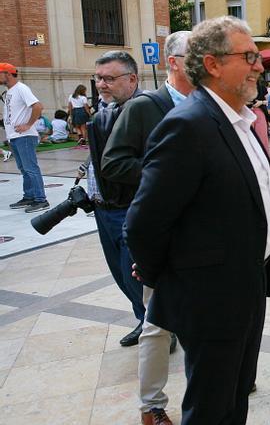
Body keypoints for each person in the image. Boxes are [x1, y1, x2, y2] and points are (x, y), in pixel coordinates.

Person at [126, 17, 270, 424]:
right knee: (210, 407)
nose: (259, 65)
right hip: (210, 297)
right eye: (249, 56)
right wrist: (176, 279)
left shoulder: (243, 120)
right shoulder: (188, 125)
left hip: (248, 285)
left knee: (235, 397)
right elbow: (143, 222)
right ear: (212, 64)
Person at [101, 31, 192, 425]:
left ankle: (219, 381)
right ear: (173, 61)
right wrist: (163, 174)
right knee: (157, 322)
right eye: (198, 54)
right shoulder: (144, 107)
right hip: (161, 231)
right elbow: (113, 164)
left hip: (202, 231)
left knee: (207, 317)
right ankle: (152, 406)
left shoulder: (214, 104)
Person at [87, 51, 147, 346]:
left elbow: (153, 163)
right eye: (98, 78)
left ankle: (157, 326)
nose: (101, 84)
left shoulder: (146, 111)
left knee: (133, 272)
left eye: (109, 78)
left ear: (132, 79)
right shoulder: (104, 111)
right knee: (120, 274)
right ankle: (144, 320)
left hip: (131, 208)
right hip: (104, 208)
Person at [1, 63, 50, 213]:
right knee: (24, 169)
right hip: (15, 136)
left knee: (30, 168)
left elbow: (38, 106)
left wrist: (28, 124)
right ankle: (29, 196)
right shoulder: (9, 91)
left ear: (7, 74)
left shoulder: (21, 88)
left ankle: (41, 200)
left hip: (25, 136)